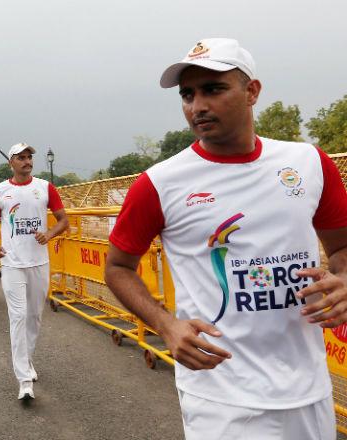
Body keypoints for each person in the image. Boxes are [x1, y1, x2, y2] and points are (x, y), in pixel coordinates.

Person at [104, 38, 347, 439]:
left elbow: (341, 247)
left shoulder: (308, 163)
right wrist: (166, 325)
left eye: (213, 89)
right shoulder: (159, 183)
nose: (197, 106)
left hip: (308, 389)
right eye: (188, 94)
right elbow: (117, 267)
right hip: (221, 396)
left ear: (252, 91)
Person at [0, 143, 70, 400]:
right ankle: (24, 380)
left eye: (29, 157)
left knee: (34, 317)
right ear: (11, 162)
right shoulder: (0, 191)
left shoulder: (45, 188)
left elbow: (63, 220)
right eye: (21, 157)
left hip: (39, 263)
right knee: (18, 317)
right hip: (12, 264)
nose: (27, 161)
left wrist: (50, 233)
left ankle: (28, 361)